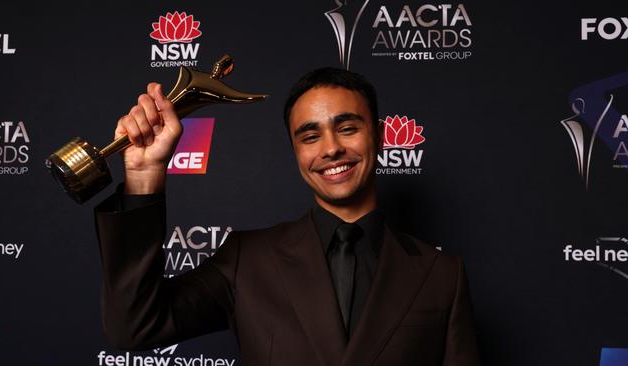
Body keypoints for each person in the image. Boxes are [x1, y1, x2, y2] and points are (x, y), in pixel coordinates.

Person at [95, 68, 481, 366]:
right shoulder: (247, 259)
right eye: (310, 136)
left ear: (378, 137)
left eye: (347, 128)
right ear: (296, 151)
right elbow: (134, 326)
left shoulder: (442, 275)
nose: (331, 149)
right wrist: (145, 176)